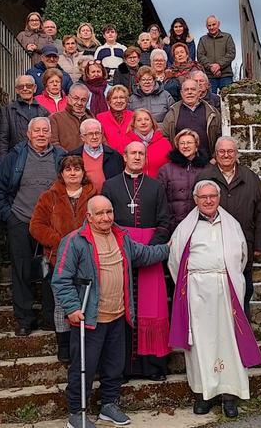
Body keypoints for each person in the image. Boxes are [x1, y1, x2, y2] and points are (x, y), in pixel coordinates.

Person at [53, 195, 170, 428]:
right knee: (83, 368)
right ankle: (77, 413)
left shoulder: (121, 237)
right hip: (90, 320)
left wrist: (169, 249)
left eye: (109, 212)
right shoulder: (74, 241)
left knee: (114, 366)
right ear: (89, 216)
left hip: (118, 316)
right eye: (99, 213)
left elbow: (144, 255)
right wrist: (73, 308)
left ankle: (109, 405)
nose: (106, 218)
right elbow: (61, 280)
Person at [168, 180, 261, 418]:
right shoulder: (185, 228)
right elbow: (175, 261)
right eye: (203, 197)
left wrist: (225, 279)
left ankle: (230, 396)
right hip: (196, 292)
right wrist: (192, 284)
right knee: (200, 342)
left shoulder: (232, 226)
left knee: (228, 341)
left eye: (212, 196)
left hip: (225, 290)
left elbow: (241, 258)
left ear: (219, 197)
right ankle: (204, 395)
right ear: (195, 200)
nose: (208, 201)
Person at [101, 142, 174, 382]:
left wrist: (151, 249)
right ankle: (120, 369)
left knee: (151, 309)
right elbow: (105, 221)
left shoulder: (155, 186)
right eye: (133, 153)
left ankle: (153, 366)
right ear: (124, 156)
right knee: (120, 311)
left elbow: (165, 220)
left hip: (151, 254)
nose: (137, 157)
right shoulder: (110, 186)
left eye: (141, 153)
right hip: (119, 255)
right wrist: (124, 247)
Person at [0, 117, 66, 337]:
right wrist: (9, 216)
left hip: (51, 224)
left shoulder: (60, 157)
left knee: (52, 269)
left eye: (45, 130)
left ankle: (51, 317)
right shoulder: (15, 156)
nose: (41, 134)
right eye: (37, 131)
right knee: (21, 270)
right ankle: (24, 319)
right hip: (21, 219)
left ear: (50, 134)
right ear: (29, 134)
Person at [30, 155, 97, 362]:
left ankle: (84, 345)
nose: (73, 173)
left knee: (88, 301)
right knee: (62, 304)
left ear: (83, 172)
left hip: (88, 257)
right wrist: (60, 241)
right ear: (61, 173)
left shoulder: (93, 194)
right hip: (58, 257)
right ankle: (64, 346)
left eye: (77, 169)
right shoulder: (49, 197)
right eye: (68, 169)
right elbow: (36, 225)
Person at [196, 137, 261, 317]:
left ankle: (242, 339)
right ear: (216, 153)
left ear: (236, 154)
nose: (226, 155)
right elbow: (195, 212)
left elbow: (260, 211)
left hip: (243, 244)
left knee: (243, 290)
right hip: (213, 247)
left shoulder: (250, 177)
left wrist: (259, 244)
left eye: (230, 151)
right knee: (216, 295)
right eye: (222, 151)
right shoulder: (204, 177)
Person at [157, 129, 210, 228]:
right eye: (182, 143)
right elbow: (160, 199)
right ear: (177, 146)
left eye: (189, 142)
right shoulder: (166, 170)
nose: (185, 146)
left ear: (196, 146)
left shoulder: (207, 169)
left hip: (201, 224)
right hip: (173, 225)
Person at [0, 75, 50, 165]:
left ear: (35, 88)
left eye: (29, 86)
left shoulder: (44, 112)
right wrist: (2, 165)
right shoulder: (7, 111)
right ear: (16, 90)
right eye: (21, 86)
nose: (25, 89)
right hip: (15, 160)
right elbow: (2, 140)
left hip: (39, 160)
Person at [162, 78, 220, 159]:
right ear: (181, 93)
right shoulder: (172, 113)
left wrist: (215, 158)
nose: (189, 92)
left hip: (207, 163)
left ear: (199, 92)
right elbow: (164, 137)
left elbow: (220, 136)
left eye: (193, 89)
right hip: (180, 163)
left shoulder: (212, 112)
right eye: (186, 90)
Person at [67, 118, 124, 193]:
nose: (95, 137)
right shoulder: (72, 156)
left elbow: (120, 182)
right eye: (90, 134)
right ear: (82, 137)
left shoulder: (115, 156)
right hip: (82, 200)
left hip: (109, 200)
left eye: (97, 133)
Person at [126, 108, 172, 179]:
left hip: (160, 185)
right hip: (133, 185)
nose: (143, 122)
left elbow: (171, 168)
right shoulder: (126, 142)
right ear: (133, 124)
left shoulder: (164, 143)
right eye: (139, 120)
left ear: (152, 123)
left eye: (147, 119)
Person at [196, 15, 236, 94]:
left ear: (218, 24)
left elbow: (231, 53)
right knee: (209, 101)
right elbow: (200, 56)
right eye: (209, 25)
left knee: (228, 100)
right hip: (209, 76)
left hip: (225, 75)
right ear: (206, 26)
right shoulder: (203, 40)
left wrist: (219, 65)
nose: (211, 27)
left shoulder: (227, 37)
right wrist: (211, 67)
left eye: (213, 24)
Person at [50, 84, 94, 151]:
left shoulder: (92, 120)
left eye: (83, 100)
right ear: (68, 98)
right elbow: (53, 145)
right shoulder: (55, 119)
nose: (79, 103)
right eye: (76, 98)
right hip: (65, 160)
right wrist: (70, 159)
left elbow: (101, 144)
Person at [96, 85, 135, 154]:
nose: (119, 101)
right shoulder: (100, 118)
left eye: (122, 97)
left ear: (126, 100)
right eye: (114, 98)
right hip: (109, 157)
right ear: (109, 101)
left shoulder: (134, 116)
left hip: (131, 157)